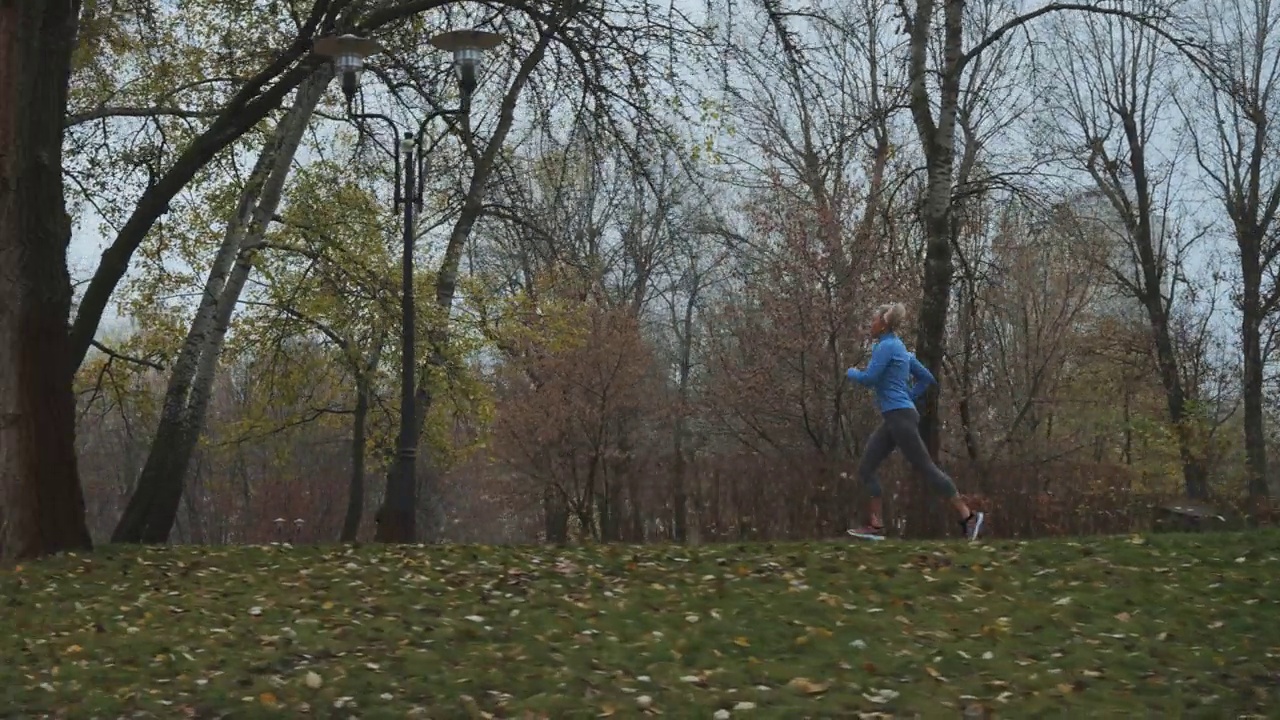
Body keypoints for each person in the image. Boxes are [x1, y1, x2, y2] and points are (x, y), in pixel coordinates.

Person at [845, 302, 984, 541]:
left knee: (927, 468)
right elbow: (927, 378)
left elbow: (870, 379)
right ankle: (875, 526)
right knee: (866, 468)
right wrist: (908, 396)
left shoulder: (886, 347)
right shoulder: (901, 350)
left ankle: (968, 516)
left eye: (873, 319)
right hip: (895, 417)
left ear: (883, 323)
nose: (871, 324)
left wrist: (851, 373)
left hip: (899, 417)